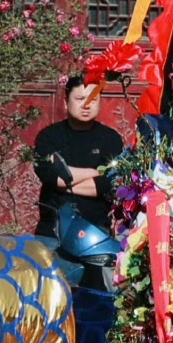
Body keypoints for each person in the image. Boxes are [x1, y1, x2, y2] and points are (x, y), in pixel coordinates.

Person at [32, 77, 126, 239]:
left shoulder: (110, 139)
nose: (86, 105)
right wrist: (95, 172)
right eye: (80, 98)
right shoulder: (49, 136)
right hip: (52, 231)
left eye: (93, 99)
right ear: (66, 101)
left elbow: (107, 184)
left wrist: (64, 183)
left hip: (96, 231)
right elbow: (53, 177)